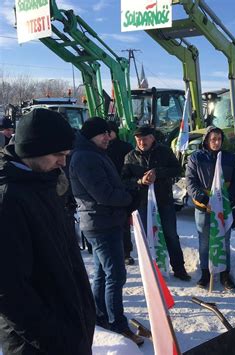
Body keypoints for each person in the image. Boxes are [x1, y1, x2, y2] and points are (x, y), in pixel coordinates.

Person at [0, 108, 95, 354]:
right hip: (38, 345)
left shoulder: (44, 182)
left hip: (67, 330)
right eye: (57, 154)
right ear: (31, 150)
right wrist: (58, 339)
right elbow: (9, 291)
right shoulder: (8, 200)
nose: (64, 161)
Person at [69, 117, 144, 346]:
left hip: (103, 221)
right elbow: (105, 194)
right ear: (91, 135)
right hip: (101, 223)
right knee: (116, 274)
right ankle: (118, 325)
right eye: (103, 134)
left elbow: (112, 187)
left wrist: (130, 189)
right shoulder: (86, 157)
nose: (108, 137)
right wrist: (131, 197)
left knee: (102, 272)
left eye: (108, 133)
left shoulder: (91, 153)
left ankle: (100, 315)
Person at [122, 125, 191, 281]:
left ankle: (179, 269)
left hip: (164, 201)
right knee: (147, 239)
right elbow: (124, 181)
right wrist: (139, 181)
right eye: (138, 139)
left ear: (152, 138)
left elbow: (177, 169)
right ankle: (151, 270)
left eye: (144, 139)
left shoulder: (164, 152)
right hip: (142, 203)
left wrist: (157, 172)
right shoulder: (130, 157)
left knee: (171, 236)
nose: (141, 142)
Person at [185, 126, 235, 291]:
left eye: (219, 139)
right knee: (204, 241)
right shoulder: (196, 158)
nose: (216, 142)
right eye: (213, 139)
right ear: (206, 140)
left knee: (224, 240)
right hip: (204, 207)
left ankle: (224, 274)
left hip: (223, 208)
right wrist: (204, 199)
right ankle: (205, 273)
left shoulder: (229, 158)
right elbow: (190, 181)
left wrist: (226, 200)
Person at [106, 121, 135, 265]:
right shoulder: (99, 149)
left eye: (108, 132)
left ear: (114, 132)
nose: (106, 136)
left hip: (121, 189)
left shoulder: (125, 148)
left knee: (123, 223)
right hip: (106, 190)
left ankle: (126, 252)